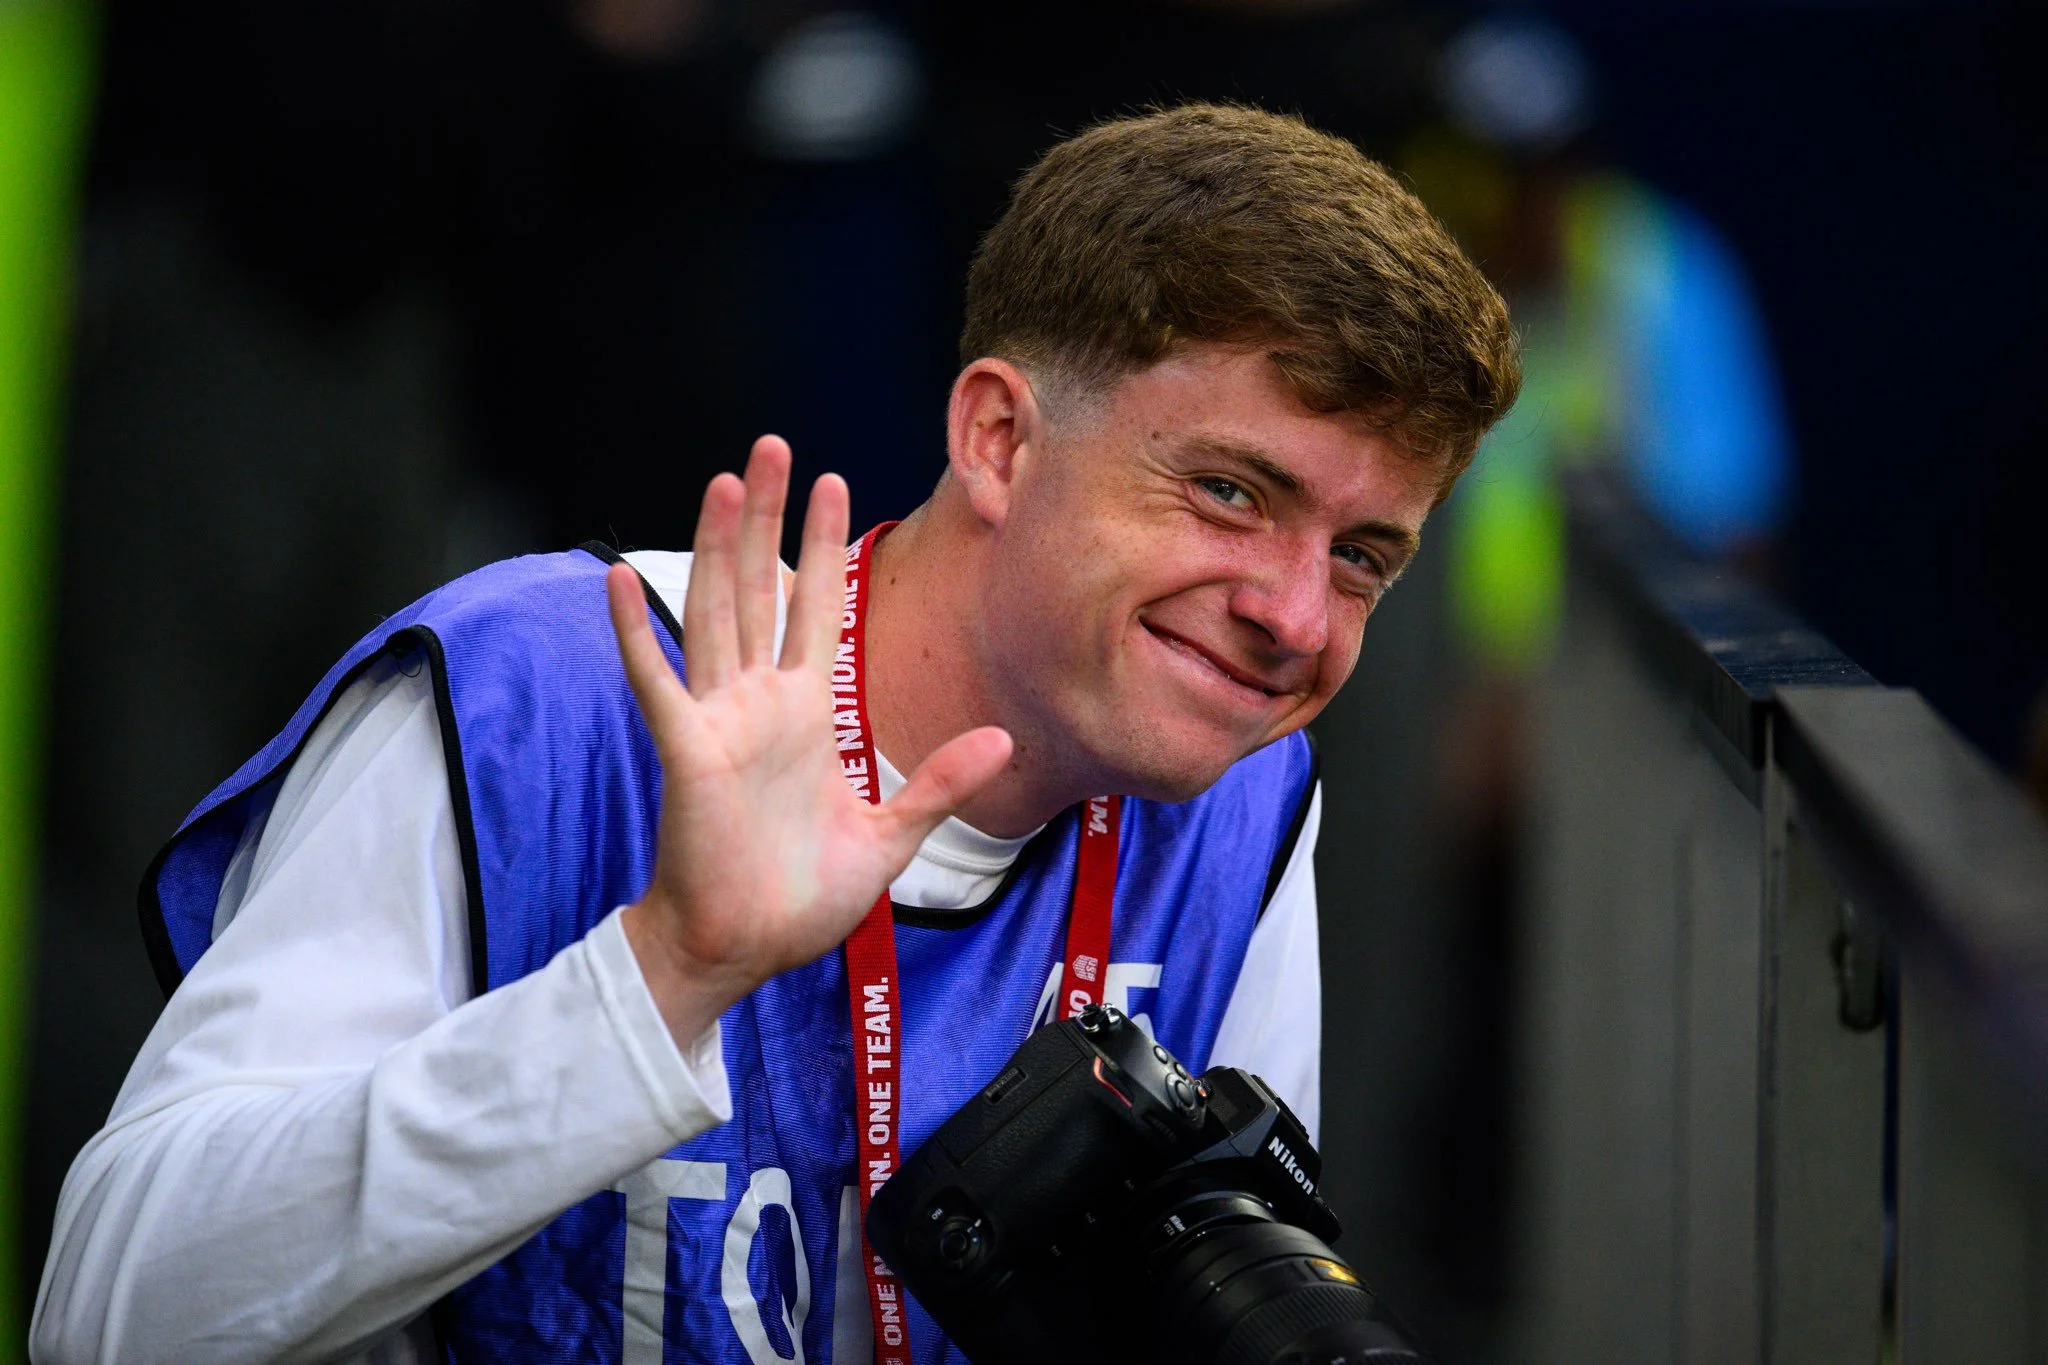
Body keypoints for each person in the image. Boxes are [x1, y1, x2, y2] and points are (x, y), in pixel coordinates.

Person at [32, 103, 1518, 1363]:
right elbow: (112, 1308)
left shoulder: (1244, 803)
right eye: (1232, 493)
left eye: (1364, 557)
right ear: (998, 439)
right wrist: (665, 971)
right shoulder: (540, 697)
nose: (1296, 618)